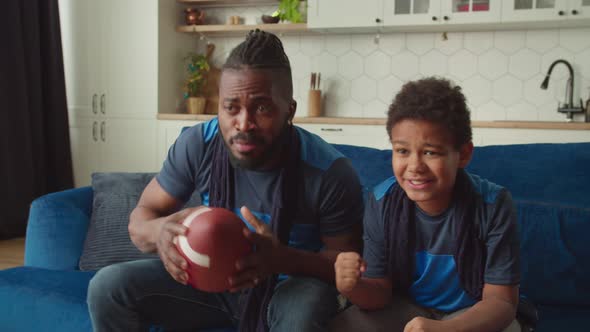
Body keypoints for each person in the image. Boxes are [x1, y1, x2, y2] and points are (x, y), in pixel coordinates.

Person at [86, 30, 364, 332]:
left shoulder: (330, 172)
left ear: (290, 111)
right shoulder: (198, 144)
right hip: (208, 281)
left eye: (261, 108)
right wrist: (159, 233)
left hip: (288, 286)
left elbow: (347, 265)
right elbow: (141, 220)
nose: (243, 123)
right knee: (108, 287)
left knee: (303, 313)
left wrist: (281, 259)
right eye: (231, 107)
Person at [331, 77, 521, 332]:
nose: (414, 167)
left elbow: (501, 302)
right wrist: (352, 287)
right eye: (402, 151)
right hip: (405, 309)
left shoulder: (493, 205)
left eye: (430, 152)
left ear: (463, 154)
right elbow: (379, 293)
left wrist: (443, 330)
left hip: (471, 313)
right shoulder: (381, 201)